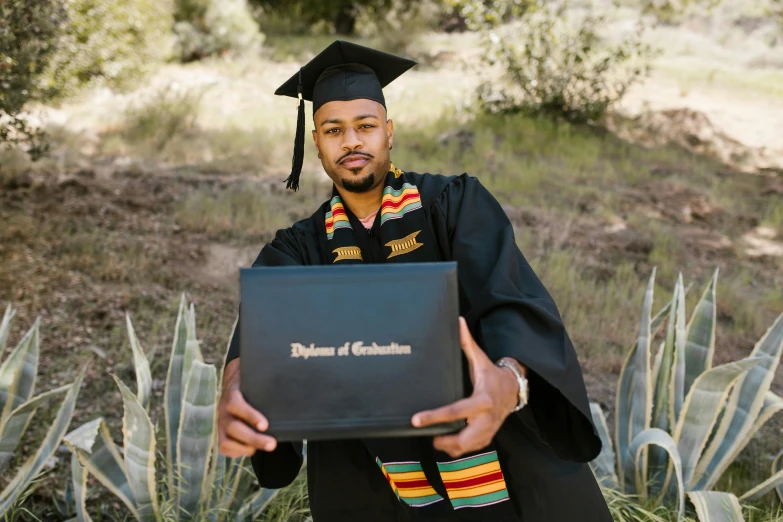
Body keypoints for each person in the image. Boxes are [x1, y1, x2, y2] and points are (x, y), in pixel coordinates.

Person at [218, 40, 612, 522]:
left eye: (365, 126)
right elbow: (261, 332)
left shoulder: (453, 203)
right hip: (374, 469)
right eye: (333, 130)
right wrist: (237, 387)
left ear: (388, 132)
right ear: (316, 143)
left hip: (498, 446)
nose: (352, 142)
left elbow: (510, 299)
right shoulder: (299, 248)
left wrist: (509, 381)